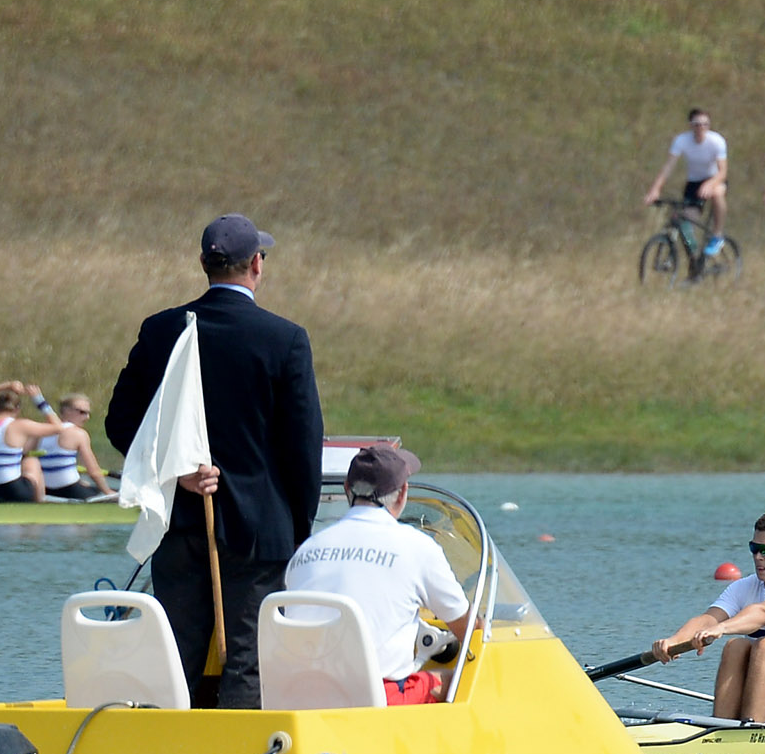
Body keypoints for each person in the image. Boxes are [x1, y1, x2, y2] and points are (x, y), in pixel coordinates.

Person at [107, 215, 325, 710]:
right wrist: (298, 525)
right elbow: (303, 444)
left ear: (204, 264)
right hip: (259, 529)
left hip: (180, 525)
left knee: (176, 654)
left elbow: (122, 424)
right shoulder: (284, 338)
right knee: (248, 657)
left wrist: (175, 472)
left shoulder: (161, 329)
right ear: (256, 265)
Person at [283, 441, 472, 705]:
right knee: (459, 680)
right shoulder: (417, 547)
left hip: (302, 697)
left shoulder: (305, 550)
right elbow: (468, 629)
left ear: (347, 490)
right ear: (403, 491)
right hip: (373, 699)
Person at [652, 511, 765, 724]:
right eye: (754, 549)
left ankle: (749, 730)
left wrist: (722, 628)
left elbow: (763, 613)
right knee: (735, 646)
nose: (758, 557)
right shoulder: (743, 587)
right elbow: (709, 618)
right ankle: (720, 726)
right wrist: (674, 641)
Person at [644, 107, 731, 258]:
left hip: (715, 179)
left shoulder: (716, 141)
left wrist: (710, 184)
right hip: (694, 183)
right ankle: (694, 263)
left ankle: (717, 235)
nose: (701, 128)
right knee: (684, 222)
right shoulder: (682, 140)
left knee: (717, 193)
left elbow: (722, 171)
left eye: (705, 124)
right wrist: (655, 189)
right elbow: (668, 166)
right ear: (691, 125)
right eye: (697, 124)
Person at [0, 380, 61, 502]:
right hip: (14, 491)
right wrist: (39, 400)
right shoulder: (21, 425)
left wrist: (7, 385)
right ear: (17, 409)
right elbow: (59, 428)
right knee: (32, 461)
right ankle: (39, 506)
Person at [29, 391, 113, 500]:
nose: (87, 417)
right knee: (96, 492)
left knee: (85, 484)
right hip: (69, 488)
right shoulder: (79, 434)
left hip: (44, 489)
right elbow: (93, 470)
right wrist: (108, 492)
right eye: (82, 412)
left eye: (88, 413)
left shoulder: (39, 431)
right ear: (66, 411)